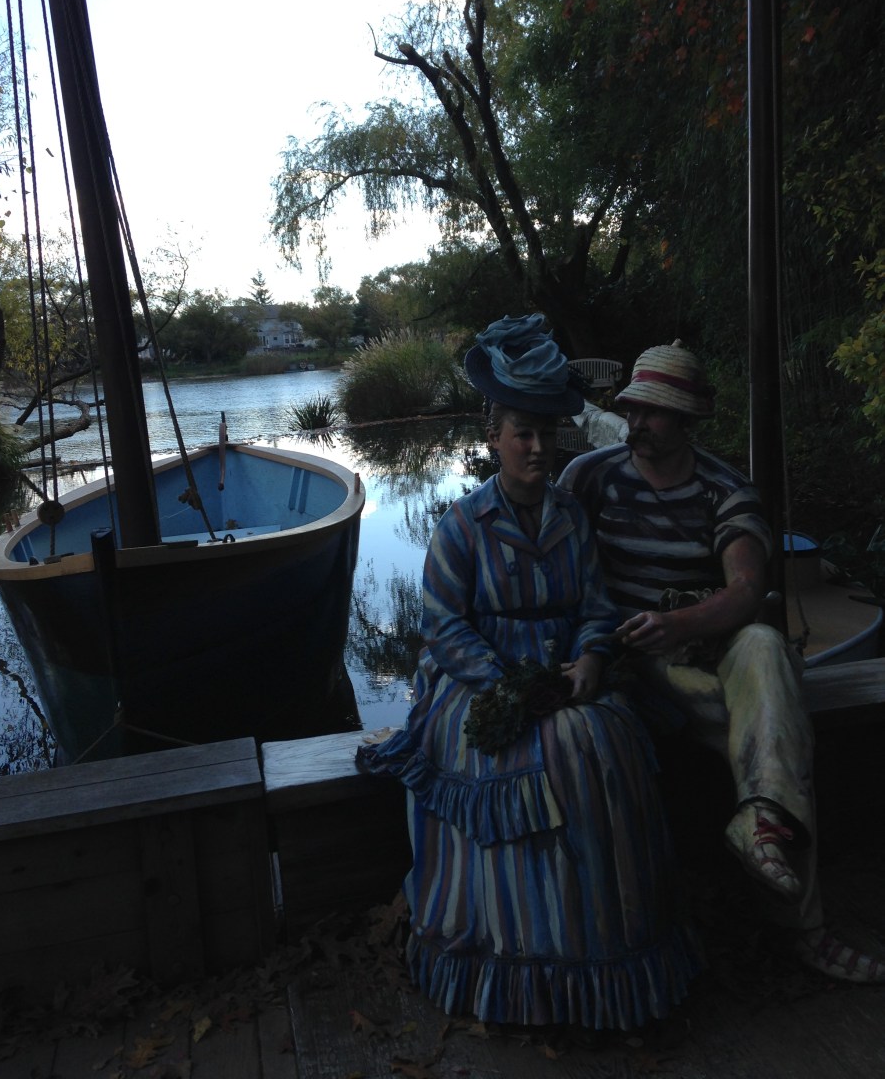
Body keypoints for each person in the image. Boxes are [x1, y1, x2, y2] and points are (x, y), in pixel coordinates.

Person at [359, 315, 702, 1034]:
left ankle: (604, 957)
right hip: (478, 682)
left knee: (603, 741)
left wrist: (592, 658)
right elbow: (442, 625)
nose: (538, 448)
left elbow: (596, 607)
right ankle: (512, 960)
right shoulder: (462, 525)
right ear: (494, 438)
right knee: (526, 751)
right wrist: (505, 681)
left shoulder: (571, 520)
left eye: (546, 434)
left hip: (565, 671)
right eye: (523, 434)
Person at [558, 339, 885, 983]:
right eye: (634, 408)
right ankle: (794, 908)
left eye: (653, 411)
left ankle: (764, 831)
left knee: (764, 646)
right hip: (628, 663)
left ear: (686, 420)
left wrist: (677, 622)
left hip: (704, 655)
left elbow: (745, 590)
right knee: (778, 734)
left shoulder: (725, 490)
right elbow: (555, 563)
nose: (637, 422)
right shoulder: (591, 478)